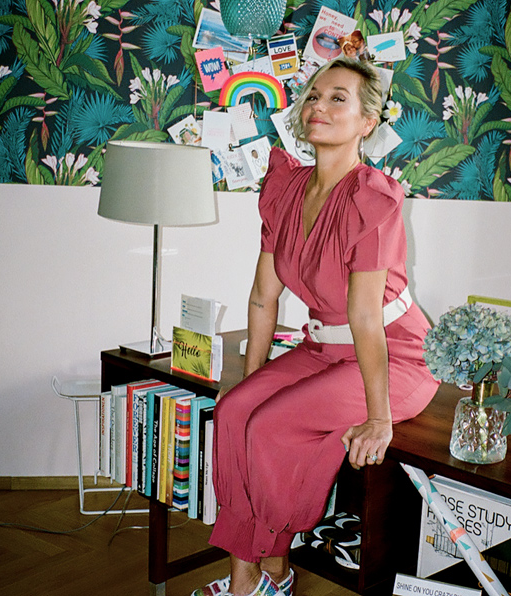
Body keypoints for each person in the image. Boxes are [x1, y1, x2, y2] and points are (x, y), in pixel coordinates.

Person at [193, 58, 440, 596]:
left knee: (271, 426)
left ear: (367, 121)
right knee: (235, 412)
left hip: (394, 356)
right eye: (312, 97)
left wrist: (380, 419)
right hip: (326, 349)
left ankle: (251, 580)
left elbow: (367, 317)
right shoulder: (285, 188)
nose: (317, 108)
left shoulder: (374, 198)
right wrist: (253, 381)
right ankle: (269, 573)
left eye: (337, 99)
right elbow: (263, 297)